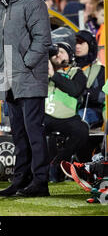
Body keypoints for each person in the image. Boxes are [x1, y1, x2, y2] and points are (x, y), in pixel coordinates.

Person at [0, 0, 52, 198]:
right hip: (8, 80)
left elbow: (42, 40)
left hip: (28, 77)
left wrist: (25, 65)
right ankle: (20, 180)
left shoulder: (34, 3)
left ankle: (40, 182)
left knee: (33, 133)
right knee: (18, 134)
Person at [44, 41, 89, 182]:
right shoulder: (41, 73)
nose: (58, 54)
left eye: (62, 52)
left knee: (82, 129)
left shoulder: (77, 72)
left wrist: (53, 75)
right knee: (29, 127)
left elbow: (75, 90)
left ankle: (60, 161)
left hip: (67, 117)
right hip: (44, 115)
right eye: (56, 52)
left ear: (70, 56)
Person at [75, 30, 105, 128]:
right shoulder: (67, 68)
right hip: (69, 108)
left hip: (93, 110)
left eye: (81, 43)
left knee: (80, 116)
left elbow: (103, 97)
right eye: (75, 43)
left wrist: (85, 92)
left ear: (91, 45)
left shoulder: (100, 70)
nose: (77, 46)